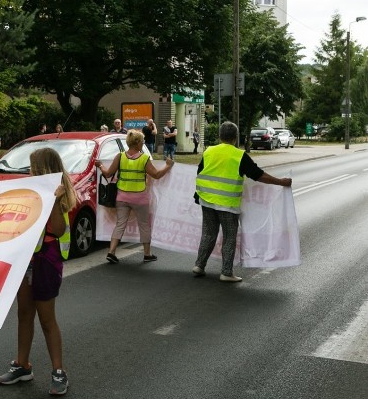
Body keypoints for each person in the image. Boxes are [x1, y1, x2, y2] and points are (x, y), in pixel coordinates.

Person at [0, 148, 76, 396]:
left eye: (33, 167)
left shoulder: (57, 195)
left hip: (46, 263)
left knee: (46, 319)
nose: (29, 172)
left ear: (44, 170)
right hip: (26, 262)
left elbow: (60, 230)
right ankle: (23, 365)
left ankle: (59, 372)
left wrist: (53, 200)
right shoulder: (32, 190)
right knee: (24, 314)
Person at [193, 121, 292, 282]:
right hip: (227, 203)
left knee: (208, 234)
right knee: (230, 236)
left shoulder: (209, 151)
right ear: (235, 137)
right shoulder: (239, 155)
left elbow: (200, 172)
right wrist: (281, 182)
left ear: (220, 136)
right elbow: (258, 175)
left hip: (206, 199)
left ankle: (199, 265)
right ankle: (226, 272)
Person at [95, 130, 174, 264]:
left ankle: (111, 252)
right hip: (139, 198)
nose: (143, 144)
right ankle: (147, 254)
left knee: (120, 224)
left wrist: (101, 165)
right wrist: (167, 166)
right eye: (142, 142)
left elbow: (108, 174)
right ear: (137, 143)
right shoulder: (144, 158)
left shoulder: (120, 156)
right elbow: (156, 175)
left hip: (122, 197)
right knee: (144, 225)